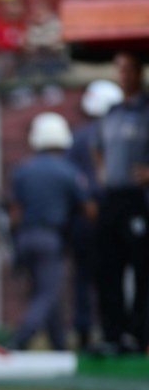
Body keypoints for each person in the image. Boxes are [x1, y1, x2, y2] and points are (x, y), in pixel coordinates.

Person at [8, 112, 93, 350]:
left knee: (45, 290)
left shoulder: (22, 170)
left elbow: (15, 214)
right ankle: (22, 337)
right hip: (51, 239)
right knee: (48, 292)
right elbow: (87, 208)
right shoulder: (69, 172)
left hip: (25, 237)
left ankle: (59, 345)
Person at [92, 52, 149, 355]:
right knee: (107, 268)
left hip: (137, 199)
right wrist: (103, 173)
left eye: (130, 69)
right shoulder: (112, 113)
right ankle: (113, 333)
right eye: (120, 69)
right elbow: (97, 148)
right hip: (111, 198)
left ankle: (137, 334)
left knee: (141, 269)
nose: (124, 75)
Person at [67, 79, 123, 351]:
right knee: (114, 275)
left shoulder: (79, 135)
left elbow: (72, 178)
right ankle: (116, 330)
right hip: (113, 214)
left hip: (83, 219)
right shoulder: (117, 131)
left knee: (83, 278)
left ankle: (85, 329)